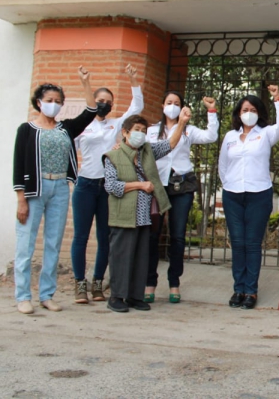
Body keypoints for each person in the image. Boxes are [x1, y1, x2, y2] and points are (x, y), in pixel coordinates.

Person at [13, 67, 97, 314]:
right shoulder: (26, 130)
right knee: (25, 244)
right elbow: (18, 164)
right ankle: (23, 296)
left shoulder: (66, 129)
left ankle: (46, 295)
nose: (53, 105)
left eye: (58, 102)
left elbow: (91, 112)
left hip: (60, 187)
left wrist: (86, 83)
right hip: (34, 190)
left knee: (53, 243)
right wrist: (21, 199)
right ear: (38, 103)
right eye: (49, 101)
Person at [104, 110, 191, 313]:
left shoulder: (147, 151)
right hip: (123, 214)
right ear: (125, 133)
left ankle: (135, 295)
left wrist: (181, 123)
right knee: (121, 255)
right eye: (136, 130)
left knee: (141, 255)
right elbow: (111, 186)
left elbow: (170, 144)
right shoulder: (113, 156)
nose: (140, 134)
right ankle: (117, 296)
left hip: (144, 214)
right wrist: (139, 185)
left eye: (143, 130)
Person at [71, 64, 144, 304]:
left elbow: (137, 107)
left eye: (109, 101)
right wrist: (85, 83)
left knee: (105, 236)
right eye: (100, 100)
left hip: (107, 187)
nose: (105, 103)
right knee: (81, 236)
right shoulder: (82, 126)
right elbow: (70, 153)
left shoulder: (116, 125)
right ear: (93, 101)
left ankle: (98, 283)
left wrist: (133, 80)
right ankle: (80, 284)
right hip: (85, 185)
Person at [145, 92, 218, 304]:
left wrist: (211, 111)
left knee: (177, 236)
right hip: (157, 185)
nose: (173, 106)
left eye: (177, 103)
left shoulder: (188, 130)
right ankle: (149, 281)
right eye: (169, 103)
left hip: (182, 184)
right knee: (152, 235)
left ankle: (174, 282)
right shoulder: (151, 131)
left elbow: (211, 136)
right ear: (162, 105)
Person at [219, 85, 279, 310]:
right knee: (238, 243)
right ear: (239, 113)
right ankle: (238, 288)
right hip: (233, 195)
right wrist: (228, 184)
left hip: (259, 194)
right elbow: (223, 165)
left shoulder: (266, 133)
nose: (248, 112)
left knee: (252, 243)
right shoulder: (230, 136)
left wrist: (277, 98)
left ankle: (251, 291)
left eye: (252, 109)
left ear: (258, 112)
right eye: (244, 109)